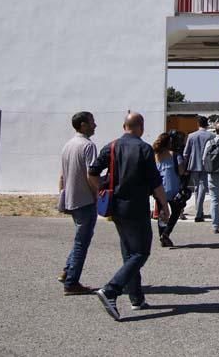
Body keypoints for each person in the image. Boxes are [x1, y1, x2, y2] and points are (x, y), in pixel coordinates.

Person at [88, 112, 170, 321]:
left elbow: (93, 172)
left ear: (124, 126)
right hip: (136, 206)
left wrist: (101, 192)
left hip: (116, 207)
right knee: (141, 252)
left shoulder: (112, 146)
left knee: (129, 251)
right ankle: (111, 290)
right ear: (140, 127)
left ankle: (136, 298)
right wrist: (164, 204)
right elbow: (155, 182)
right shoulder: (144, 149)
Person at [58, 111, 98, 295]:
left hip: (72, 198)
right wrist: (98, 194)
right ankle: (72, 283)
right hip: (85, 199)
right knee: (82, 242)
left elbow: (62, 175)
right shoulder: (88, 146)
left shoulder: (68, 145)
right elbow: (92, 174)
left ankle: (67, 272)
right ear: (83, 125)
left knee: (79, 239)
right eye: (92, 122)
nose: (95, 125)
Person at [152, 132, 187, 248]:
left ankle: (162, 236)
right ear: (169, 143)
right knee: (176, 211)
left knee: (162, 212)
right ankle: (166, 233)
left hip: (158, 188)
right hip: (173, 188)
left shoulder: (155, 156)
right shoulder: (175, 155)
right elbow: (182, 171)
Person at [181, 116, 214, 222]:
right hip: (207, 165)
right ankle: (199, 213)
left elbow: (186, 153)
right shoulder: (211, 136)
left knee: (197, 188)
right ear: (207, 124)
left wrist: (184, 167)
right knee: (202, 189)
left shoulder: (191, 136)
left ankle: (199, 210)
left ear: (198, 124)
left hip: (194, 165)